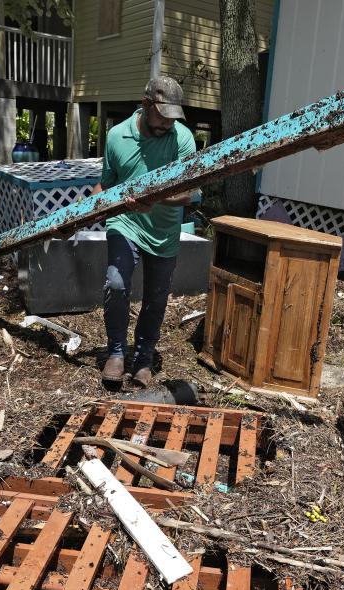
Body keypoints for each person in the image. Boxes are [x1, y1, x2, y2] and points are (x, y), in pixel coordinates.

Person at [91, 77, 198, 387]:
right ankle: (115, 353)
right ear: (146, 104)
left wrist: (154, 197)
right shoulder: (117, 136)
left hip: (164, 231)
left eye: (173, 116)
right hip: (125, 223)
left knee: (156, 297)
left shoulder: (183, 139)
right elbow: (106, 185)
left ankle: (143, 357)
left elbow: (189, 190)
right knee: (117, 282)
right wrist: (87, 206)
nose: (168, 123)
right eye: (162, 115)